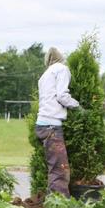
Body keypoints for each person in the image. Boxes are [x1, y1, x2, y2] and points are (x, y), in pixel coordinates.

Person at [35, 47, 81, 198]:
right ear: (61, 58)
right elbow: (62, 96)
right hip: (51, 126)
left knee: (55, 169)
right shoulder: (61, 69)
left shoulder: (45, 75)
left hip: (43, 125)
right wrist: (78, 106)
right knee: (60, 171)